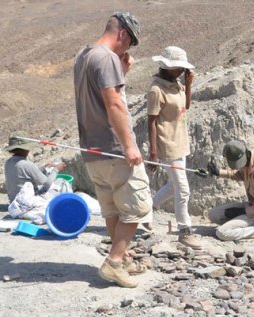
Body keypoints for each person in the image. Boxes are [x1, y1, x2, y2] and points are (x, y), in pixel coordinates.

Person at [74, 11, 151, 288]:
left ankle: (124, 256)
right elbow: (114, 104)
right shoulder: (106, 59)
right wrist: (129, 145)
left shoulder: (84, 55)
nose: (127, 50)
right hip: (114, 148)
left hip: (92, 150)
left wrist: (123, 71)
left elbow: (98, 96)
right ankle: (114, 263)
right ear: (123, 35)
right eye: (129, 43)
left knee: (112, 208)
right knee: (138, 206)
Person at [146, 46, 201, 249]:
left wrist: (188, 85)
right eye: (178, 68)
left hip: (180, 142)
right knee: (183, 190)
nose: (180, 71)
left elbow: (185, 106)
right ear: (166, 67)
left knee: (173, 185)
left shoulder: (176, 84)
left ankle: (149, 207)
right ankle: (184, 231)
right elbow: (151, 121)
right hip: (167, 144)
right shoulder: (156, 90)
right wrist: (153, 152)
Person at [206, 140, 254, 244]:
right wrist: (218, 172)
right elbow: (239, 174)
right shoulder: (249, 158)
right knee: (213, 215)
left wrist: (243, 212)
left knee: (222, 233)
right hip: (253, 205)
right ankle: (251, 225)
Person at [4, 131, 60, 203]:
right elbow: (47, 184)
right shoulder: (27, 164)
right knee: (60, 185)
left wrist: (44, 167)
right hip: (28, 203)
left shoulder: (8, 162)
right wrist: (56, 169)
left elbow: (26, 173)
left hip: (14, 203)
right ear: (26, 149)